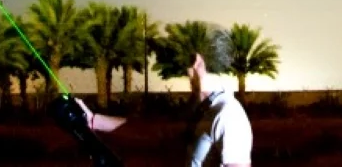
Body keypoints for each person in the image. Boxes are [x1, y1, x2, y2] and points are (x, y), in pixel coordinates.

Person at [72, 49, 252, 167]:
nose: (186, 77)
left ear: (198, 65)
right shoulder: (201, 110)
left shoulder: (228, 115)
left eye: (188, 69)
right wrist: (93, 120)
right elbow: (151, 130)